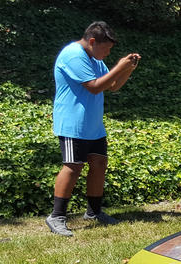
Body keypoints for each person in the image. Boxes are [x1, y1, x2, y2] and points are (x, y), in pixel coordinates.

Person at [46, 21, 140, 237]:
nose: (107, 53)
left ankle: (94, 212)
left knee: (99, 163)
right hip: (73, 124)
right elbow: (95, 87)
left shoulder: (95, 59)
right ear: (92, 41)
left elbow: (113, 85)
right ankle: (57, 216)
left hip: (93, 125)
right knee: (73, 166)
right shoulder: (73, 55)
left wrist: (127, 69)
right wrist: (119, 66)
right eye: (106, 48)